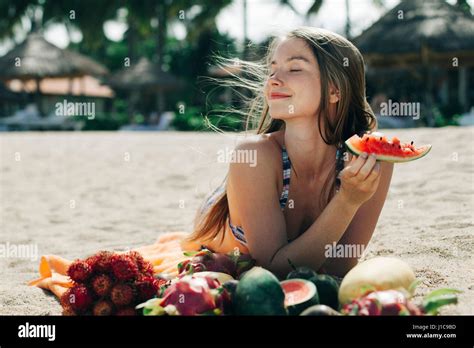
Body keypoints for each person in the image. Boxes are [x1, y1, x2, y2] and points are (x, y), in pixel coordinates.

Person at [29, 27, 393, 298]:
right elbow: (274, 270)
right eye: (272, 68)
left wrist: (352, 198)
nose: (274, 79)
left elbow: (342, 263)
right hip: (220, 234)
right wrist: (347, 201)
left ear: (335, 90)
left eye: (294, 69)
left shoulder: (372, 157)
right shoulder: (255, 155)